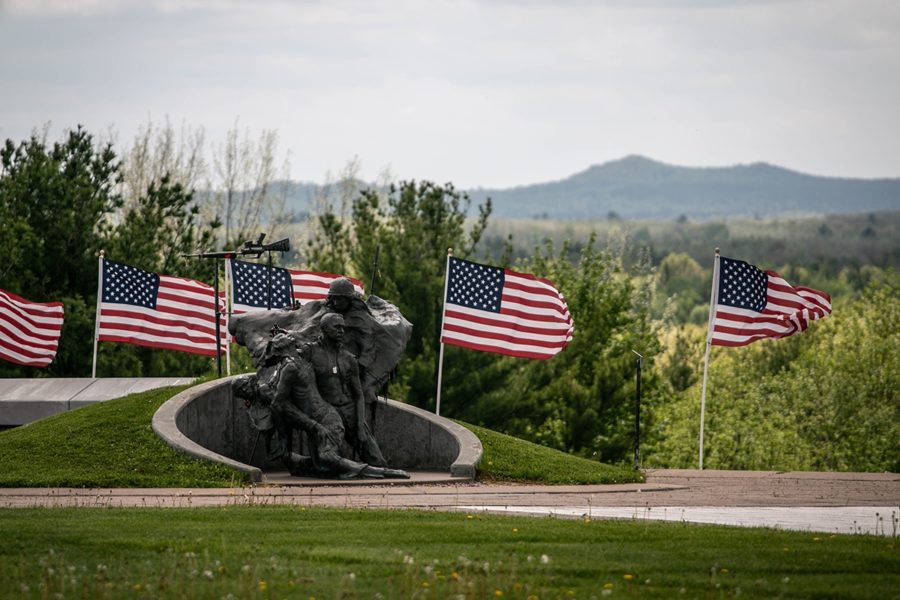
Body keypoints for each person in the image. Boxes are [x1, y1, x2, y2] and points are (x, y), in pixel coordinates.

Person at [307, 313, 388, 467]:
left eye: (343, 328)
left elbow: (359, 395)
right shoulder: (310, 352)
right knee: (328, 463)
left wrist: (359, 426)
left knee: (378, 462)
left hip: (349, 411)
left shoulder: (349, 358)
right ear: (324, 328)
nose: (342, 331)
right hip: (326, 413)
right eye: (337, 327)